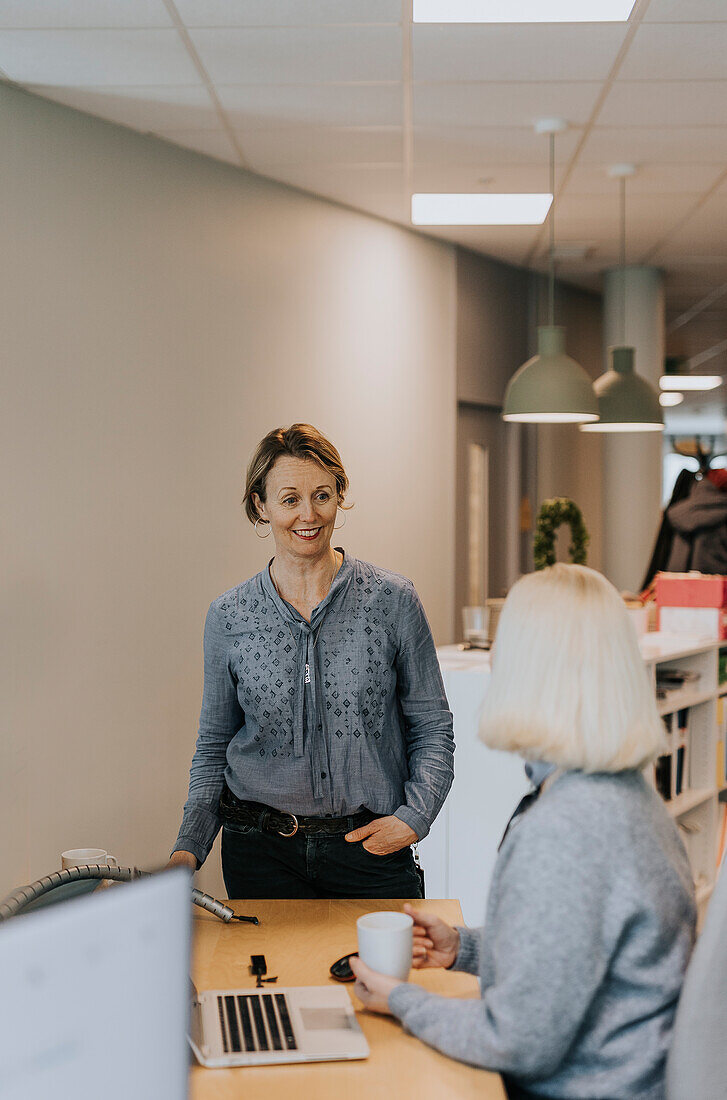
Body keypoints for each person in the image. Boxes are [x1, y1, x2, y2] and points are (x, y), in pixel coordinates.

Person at [351, 564, 696, 1100]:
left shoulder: (566, 829)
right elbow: (574, 952)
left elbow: (516, 1041)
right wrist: (463, 949)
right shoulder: (627, 796)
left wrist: (399, 999)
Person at [169, 423, 454, 899]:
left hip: (371, 852)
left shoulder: (393, 601)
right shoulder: (229, 616)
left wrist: (413, 818)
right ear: (261, 505)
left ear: (340, 495)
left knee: (385, 975)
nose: (308, 514)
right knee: (270, 977)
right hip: (259, 855)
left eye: (322, 495)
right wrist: (188, 848)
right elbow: (214, 745)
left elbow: (433, 727)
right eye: (289, 499)